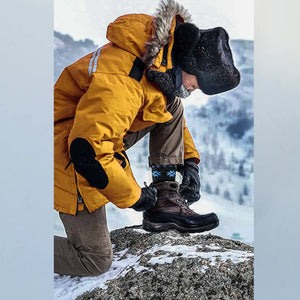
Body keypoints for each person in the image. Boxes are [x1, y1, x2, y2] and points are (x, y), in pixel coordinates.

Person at [54, 0, 240, 277]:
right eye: (197, 82)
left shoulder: (155, 63)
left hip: (86, 134)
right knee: (93, 261)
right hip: (64, 155)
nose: (195, 89)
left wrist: (189, 162)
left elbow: (162, 108)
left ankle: (165, 202)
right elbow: (87, 153)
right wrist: (137, 197)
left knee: (170, 104)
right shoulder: (122, 79)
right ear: (188, 63)